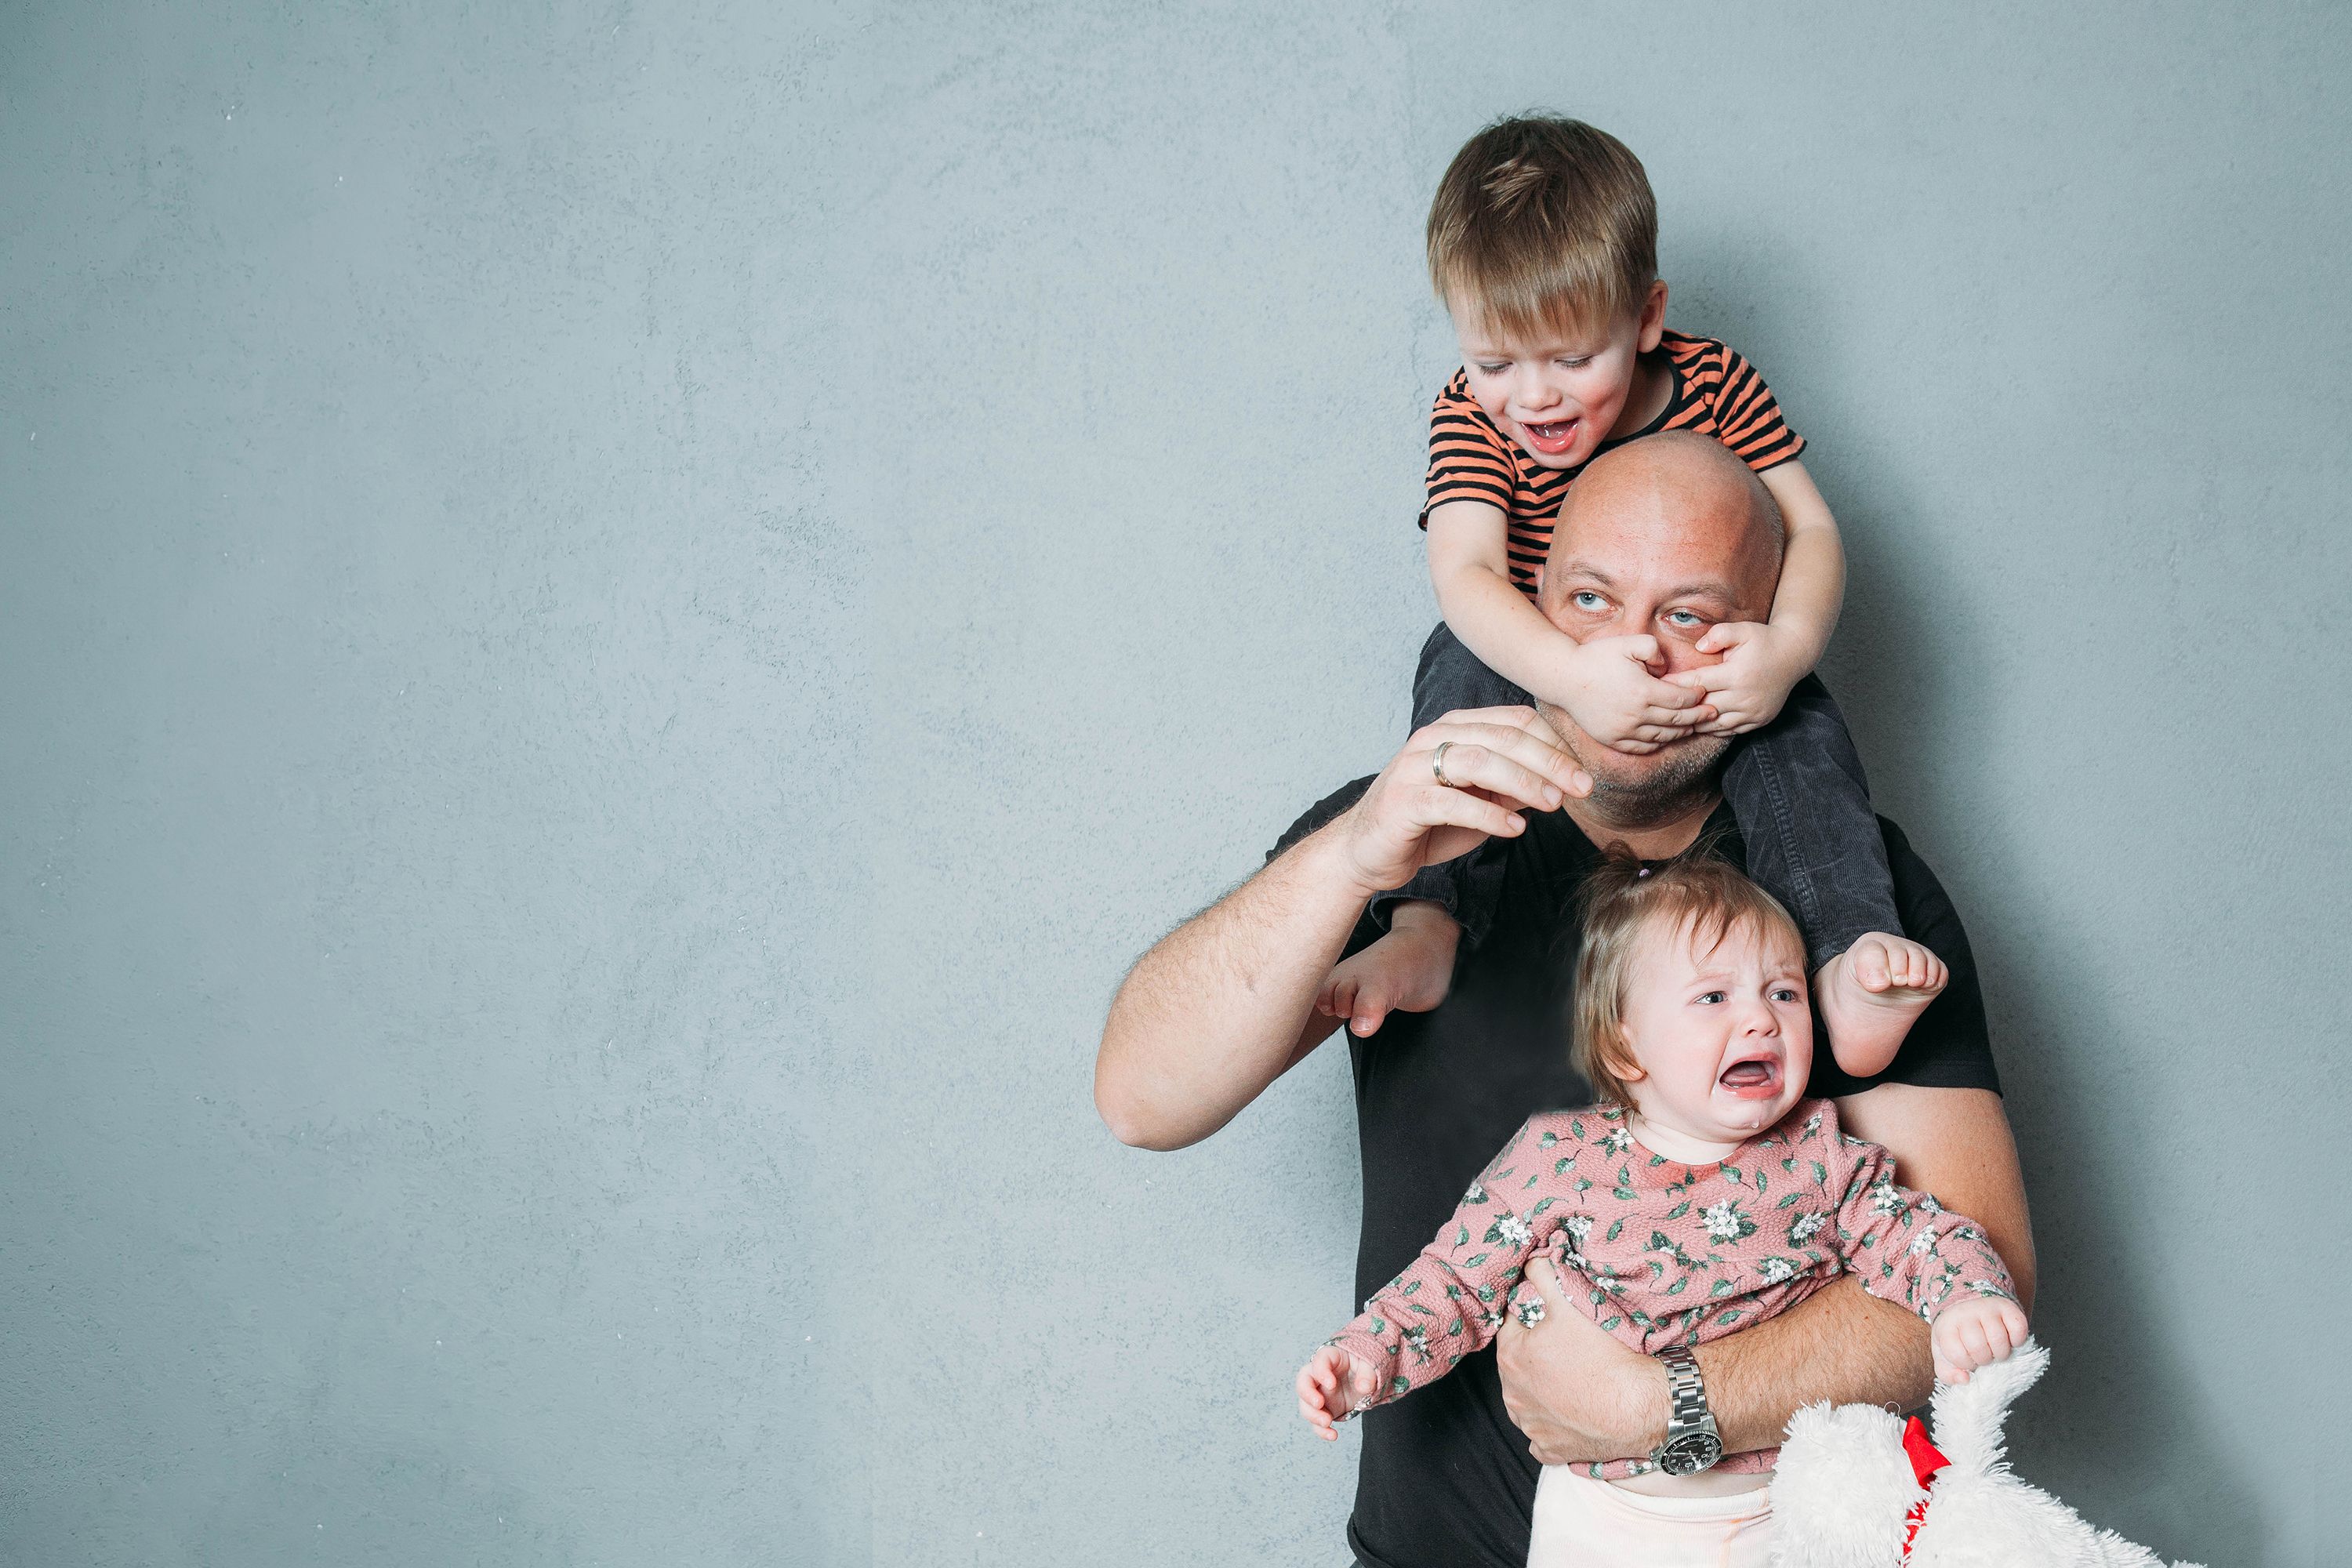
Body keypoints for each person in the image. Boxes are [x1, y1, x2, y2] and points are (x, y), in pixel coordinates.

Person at [1094, 432, 2036, 1568]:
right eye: (1590, 598)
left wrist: (1662, 1406)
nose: (1633, 653)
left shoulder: (1854, 897)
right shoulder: (1410, 839)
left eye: (1691, 616)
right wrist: (1353, 857)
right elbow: (1144, 1097)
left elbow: (1983, 1280)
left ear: (1771, 639)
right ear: (1526, 601)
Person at [1326, 114, 1944, 1080]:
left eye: (1573, 359)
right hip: (1534, 643)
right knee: (1455, 672)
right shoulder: (1467, 416)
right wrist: (1571, 675)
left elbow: (1813, 530)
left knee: (1805, 736)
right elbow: (1468, 577)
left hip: (1705, 660)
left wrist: (1783, 651)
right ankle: (1427, 922)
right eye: (1496, 362)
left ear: (1647, 316)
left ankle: (1845, 959)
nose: (1533, 398)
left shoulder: (1714, 380)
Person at [1294, 855, 2029, 1568]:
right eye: (1714, 998)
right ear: (1623, 1047)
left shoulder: (1819, 1151)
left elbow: (1919, 1234)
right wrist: (1366, 1360)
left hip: (1789, 1508)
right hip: (1606, 1522)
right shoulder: (1558, 1159)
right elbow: (1454, 1281)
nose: (1761, 1021)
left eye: (1784, 994)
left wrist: (1966, 1294)